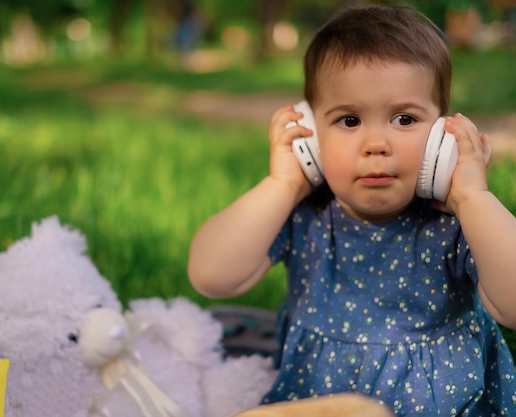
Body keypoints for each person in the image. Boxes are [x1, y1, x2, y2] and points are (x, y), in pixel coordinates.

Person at [187, 4, 516, 416]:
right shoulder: (306, 215)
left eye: (403, 118)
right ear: (311, 138)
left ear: (440, 138)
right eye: (348, 121)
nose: (375, 143)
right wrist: (282, 184)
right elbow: (211, 275)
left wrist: (474, 199)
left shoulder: (454, 223)